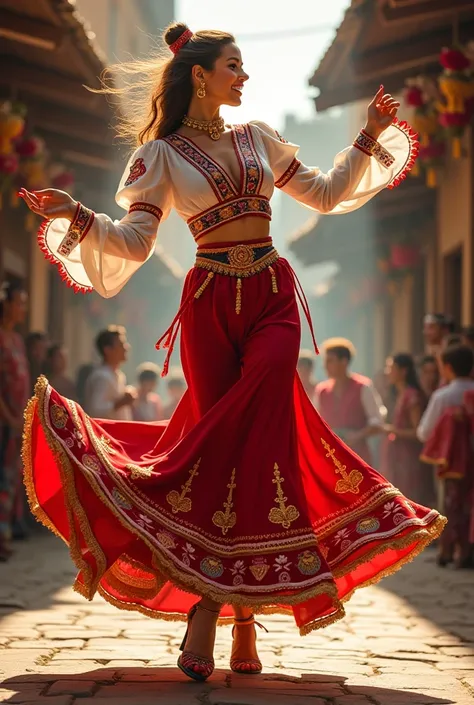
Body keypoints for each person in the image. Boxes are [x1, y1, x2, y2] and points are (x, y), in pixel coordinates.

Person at [20, 22, 443, 683]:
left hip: (272, 293)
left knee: (260, 416)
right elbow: (134, 241)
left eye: (244, 66)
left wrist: (367, 139)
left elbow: (327, 195)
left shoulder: (259, 139)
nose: (244, 77)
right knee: (226, 454)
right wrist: (76, 214)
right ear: (201, 74)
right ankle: (242, 615)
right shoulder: (159, 156)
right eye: (233, 65)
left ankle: (210, 607)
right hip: (210, 303)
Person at [417, 345, 474, 566]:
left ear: (447, 367)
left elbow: (424, 432)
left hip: (451, 459)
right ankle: (468, 549)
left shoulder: (443, 396)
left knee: (450, 503)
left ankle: (449, 550)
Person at [315, 338, 386, 464]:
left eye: (330, 361)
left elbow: (377, 422)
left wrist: (357, 436)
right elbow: (314, 423)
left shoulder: (363, 387)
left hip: (358, 457)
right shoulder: (322, 391)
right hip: (330, 457)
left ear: (344, 362)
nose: (325, 365)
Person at [0, 281, 30, 559]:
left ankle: (5, 534)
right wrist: (8, 416)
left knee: (10, 479)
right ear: (6, 303)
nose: (23, 309)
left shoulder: (18, 340)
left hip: (17, 419)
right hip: (3, 420)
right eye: (19, 302)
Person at [380, 354, 431, 506]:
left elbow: (417, 432)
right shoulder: (400, 394)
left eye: (392, 368)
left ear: (403, 371)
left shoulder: (412, 396)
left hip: (409, 457)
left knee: (409, 499)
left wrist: (390, 430)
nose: (388, 372)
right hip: (398, 456)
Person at [84, 326, 136, 420]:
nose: (126, 348)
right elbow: (96, 411)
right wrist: (122, 402)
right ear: (107, 350)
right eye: (121, 344)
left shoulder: (119, 375)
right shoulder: (101, 376)